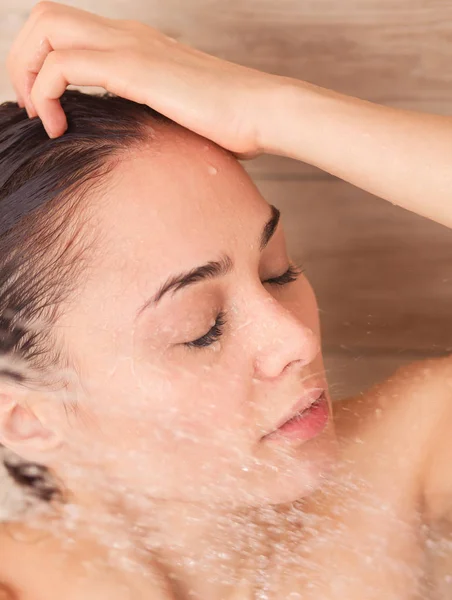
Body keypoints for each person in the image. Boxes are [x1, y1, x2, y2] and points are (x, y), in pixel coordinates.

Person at [0, 2, 451, 598]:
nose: (296, 339)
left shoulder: (407, 456)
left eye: (277, 271)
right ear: (27, 419)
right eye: (202, 328)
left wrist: (268, 109)